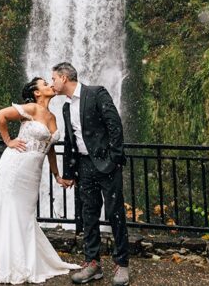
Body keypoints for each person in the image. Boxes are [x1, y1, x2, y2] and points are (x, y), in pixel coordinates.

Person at [0, 78, 80, 284]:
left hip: (34, 170)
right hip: (16, 165)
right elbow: (0, 115)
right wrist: (8, 141)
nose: (50, 85)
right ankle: (5, 262)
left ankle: (22, 259)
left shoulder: (53, 116)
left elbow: (49, 148)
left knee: (25, 213)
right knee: (10, 209)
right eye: (44, 83)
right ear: (36, 93)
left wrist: (57, 175)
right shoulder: (31, 108)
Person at [51, 62, 130, 286]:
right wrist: (69, 172)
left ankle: (122, 263)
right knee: (89, 214)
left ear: (64, 78)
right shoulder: (66, 107)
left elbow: (114, 125)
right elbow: (70, 140)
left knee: (115, 213)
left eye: (54, 79)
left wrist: (115, 159)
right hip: (85, 166)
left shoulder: (96, 93)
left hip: (107, 165)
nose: (52, 83)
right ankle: (92, 263)